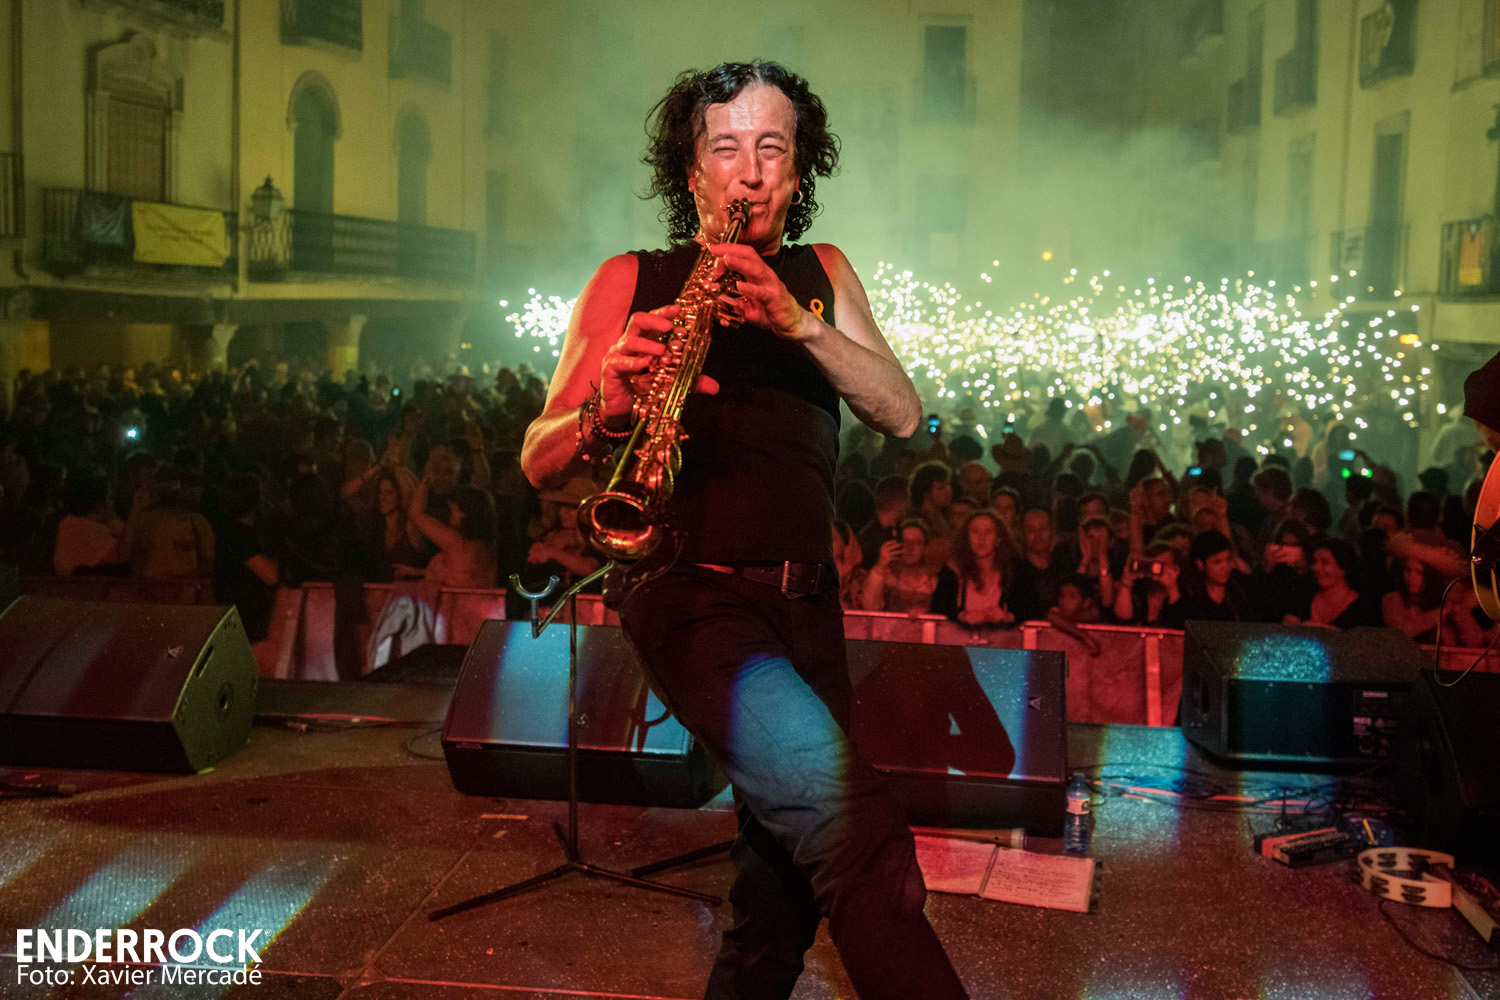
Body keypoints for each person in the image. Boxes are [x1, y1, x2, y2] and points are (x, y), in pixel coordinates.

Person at [518, 61, 969, 1000]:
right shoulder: (630, 279)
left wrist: (800, 326)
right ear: (692, 175)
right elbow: (537, 457)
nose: (751, 172)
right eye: (726, 149)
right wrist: (606, 406)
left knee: (775, 910)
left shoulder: (821, 273)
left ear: (799, 173)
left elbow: (899, 411)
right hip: (689, 595)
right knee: (859, 838)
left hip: (806, 606)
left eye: (773, 149)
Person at [932, 509, 1015, 628]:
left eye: (988, 532)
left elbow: (1030, 609)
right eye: (975, 532)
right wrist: (960, 616)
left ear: (998, 539)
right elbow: (938, 608)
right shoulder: (951, 571)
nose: (981, 538)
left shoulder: (1014, 571)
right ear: (966, 538)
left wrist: (1008, 617)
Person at [1288, 537, 1382, 628]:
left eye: (1325, 562)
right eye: (1315, 562)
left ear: (1343, 567)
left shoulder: (1363, 608)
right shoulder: (1305, 598)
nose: (1316, 568)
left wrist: (1322, 629)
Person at [860, 517, 939, 614]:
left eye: (917, 542)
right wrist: (880, 565)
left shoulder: (935, 579)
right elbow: (869, 606)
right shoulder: (885, 575)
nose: (910, 547)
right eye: (905, 541)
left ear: (925, 548)